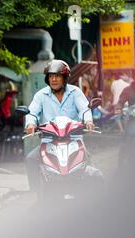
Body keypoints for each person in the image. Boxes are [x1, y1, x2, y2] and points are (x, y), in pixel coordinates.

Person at [24, 59, 95, 192]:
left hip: (73, 140)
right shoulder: (41, 95)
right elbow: (32, 113)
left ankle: (91, 196)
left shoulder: (75, 92)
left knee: (89, 164)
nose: (54, 79)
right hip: (49, 141)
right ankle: (36, 194)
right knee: (31, 159)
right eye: (51, 76)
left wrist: (88, 121)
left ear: (65, 78)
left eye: (57, 76)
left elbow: (85, 109)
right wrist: (30, 124)